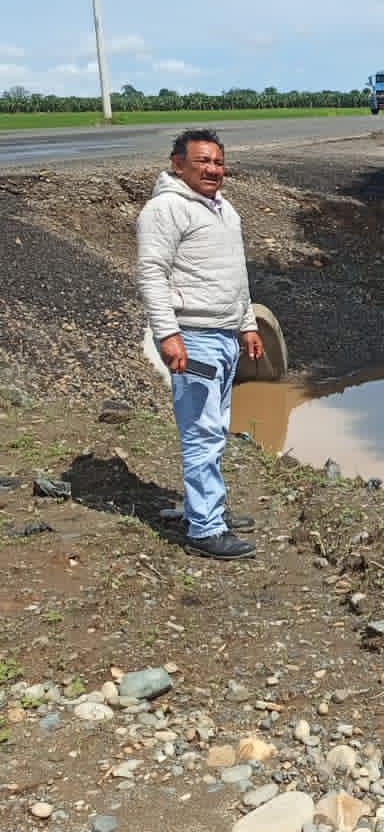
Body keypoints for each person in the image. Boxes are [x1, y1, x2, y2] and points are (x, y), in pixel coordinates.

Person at [137, 129, 264, 559]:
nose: (213, 170)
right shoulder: (165, 209)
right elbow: (151, 273)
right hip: (194, 338)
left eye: (218, 162)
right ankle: (205, 530)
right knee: (202, 434)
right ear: (178, 165)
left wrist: (247, 325)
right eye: (203, 162)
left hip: (225, 336)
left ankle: (207, 511)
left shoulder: (224, 209)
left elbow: (236, 275)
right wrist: (168, 335)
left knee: (215, 429)